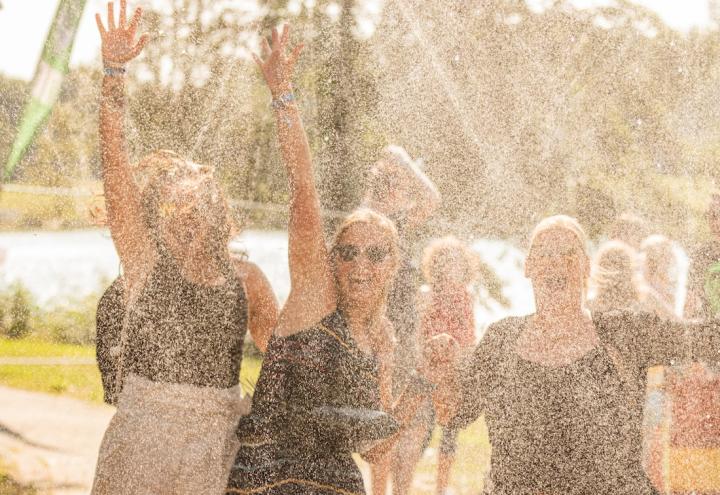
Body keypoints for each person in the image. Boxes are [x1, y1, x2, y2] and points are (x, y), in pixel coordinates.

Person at [225, 26, 430, 495]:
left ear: (394, 265)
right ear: (332, 261)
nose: (361, 263)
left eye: (376, 254)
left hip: (336, 485)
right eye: (348, 252)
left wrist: (422, 386)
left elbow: (373, 446)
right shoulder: (315, 301)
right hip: (271, 481)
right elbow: (304, 189)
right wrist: (283, 96)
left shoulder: (380, 337)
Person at [91, 3, 277, 494]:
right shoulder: (144, 262)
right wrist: (114, 74)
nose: (190, 214)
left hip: (216, 444)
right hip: (142, 439)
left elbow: (286, 360)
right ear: (157, 215)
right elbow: (115, 171)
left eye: (200, 202)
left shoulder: (248, 280)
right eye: (177, 205)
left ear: (219, 212)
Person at [423, 215, 720, 495]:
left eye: (568, 253)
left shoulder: (623, 333)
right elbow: (453, 413)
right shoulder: (501, 340)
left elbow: (704, 337)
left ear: (586, 267)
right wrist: (442, 369)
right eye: (545, 254)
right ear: (529, 266)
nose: (556, 262)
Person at [365, 145, 440, 495]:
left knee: (409, 420)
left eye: (400, 185)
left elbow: (431, 198)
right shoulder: (366, 223)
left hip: (405, 334)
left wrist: (404, 161)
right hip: (376, 337)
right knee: (383, 421)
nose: (399, 192)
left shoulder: (398, 224)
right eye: (391, 184)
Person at [417, 236, 476, 494]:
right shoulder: (427, 294)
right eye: (447, 261)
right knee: (423, 429)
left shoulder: (466, 297)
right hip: (430, 369)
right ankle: (403, 478)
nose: (453, 267)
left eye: (457, 262)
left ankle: (440, 488)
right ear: (437, 265)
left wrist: (464, 367)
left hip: (455, 371)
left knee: (450, 432)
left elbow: (469, 335)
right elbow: (419, 335)